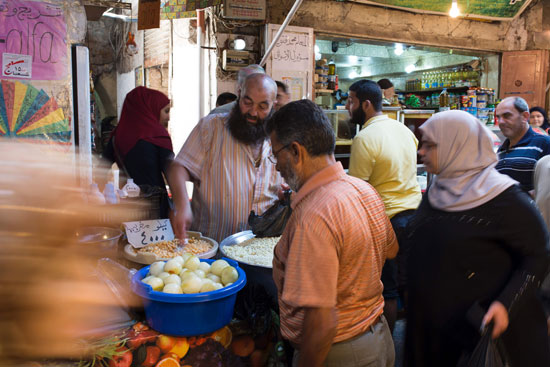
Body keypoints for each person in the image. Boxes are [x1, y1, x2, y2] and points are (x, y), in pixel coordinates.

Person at [405, 110, 550, 367]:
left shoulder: (506, 199)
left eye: (430, 145)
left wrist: (506, 304)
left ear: (457, 146)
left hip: (479, 338)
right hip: (433, 333)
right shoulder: (438, 192)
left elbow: (538, 253)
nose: (422, 152)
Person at [268, 99, 398, 367]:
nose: (276, 165)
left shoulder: (313, 216)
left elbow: (322, 323)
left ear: (295, 151)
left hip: (339, 352)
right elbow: (391, 249)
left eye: (275, 154)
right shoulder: (362, 189)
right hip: (378, 338)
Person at [169, 73, 284, 243]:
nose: (253, 112)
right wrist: (182, 205)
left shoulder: (281, 138)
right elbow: (179, 167)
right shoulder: (211, 127)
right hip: (211, 245)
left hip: (259, 247)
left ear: (273, 105)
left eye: (262, 106)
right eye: (248, 102)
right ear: (239, 95)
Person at [347, 79, 421, 333]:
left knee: (387, 290)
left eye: (351, 101)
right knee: (410, 284)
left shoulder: (364, 138)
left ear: (366, 105)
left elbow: (357, 191)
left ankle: (388, 350)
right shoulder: (403, 130)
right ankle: (416, 345)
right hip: (416, 217)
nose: (348, 107)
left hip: (387, 222)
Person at [104, 86, 173, 218]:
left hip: (127, 206)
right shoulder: (158, 137)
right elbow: (172, 174)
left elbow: (102, 166)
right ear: (150, 109)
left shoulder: (117, 136)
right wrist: (180, 205)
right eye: (166, 111)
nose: (168, 117)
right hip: (156, 207)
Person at [495, 97, 550, 193]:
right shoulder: (501, 150)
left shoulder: (544, 143)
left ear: (525, 116)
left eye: (507, 116)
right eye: (498, 117)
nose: (501, 122)